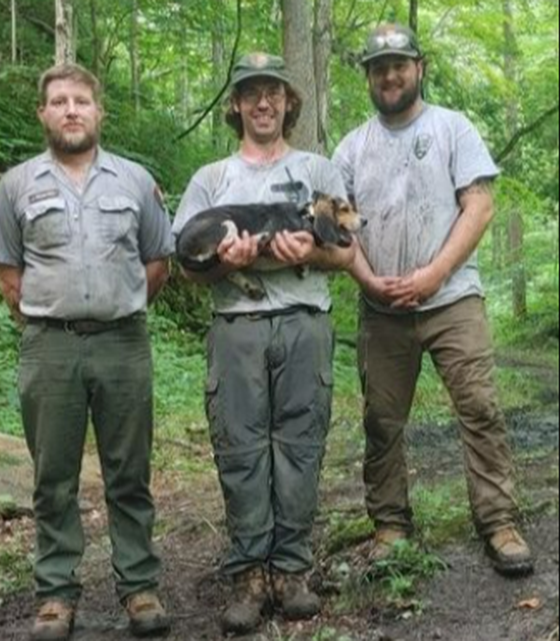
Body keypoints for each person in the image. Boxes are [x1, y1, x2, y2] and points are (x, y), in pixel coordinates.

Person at [332, 23, 535, 577]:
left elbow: (479, 207)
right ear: (368, 78)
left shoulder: (453, 128)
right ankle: (391, 524)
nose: (390, 75)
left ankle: (499, 523)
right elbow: (337, 227)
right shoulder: (352, 146)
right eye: (379, 68)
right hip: (381, 309)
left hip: (452, 301)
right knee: (381, 420)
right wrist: (371, 282)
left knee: (481, 409)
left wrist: (432, 274)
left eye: (399, 64)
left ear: (419, 68)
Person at [171, 52, 356, 634]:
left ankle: (293, 570)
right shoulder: (211, 180)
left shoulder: (319, 171)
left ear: (288, 101)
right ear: (235, 104)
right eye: (250, 92)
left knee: (301, 442)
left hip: (305, 320)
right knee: (241, 448)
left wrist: (314, 253)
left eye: (272, 91)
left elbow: (345, 251)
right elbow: (186, 266)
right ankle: (250, 573)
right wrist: (225, 266)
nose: (262, 102)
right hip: (238, 329)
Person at [0, 62, 174, 640]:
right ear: (43, 113)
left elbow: (158, 261)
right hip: (50, 348)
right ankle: (56, 595)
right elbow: (8, 272)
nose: (71, 110)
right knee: (53, 477)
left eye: (82, 101)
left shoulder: (136, 182)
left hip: (123, 344)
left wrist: (119, 304)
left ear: (100, 112)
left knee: (130, 472)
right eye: (59, 101)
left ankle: (140, 586)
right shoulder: (16, 186)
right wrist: (53, 317)